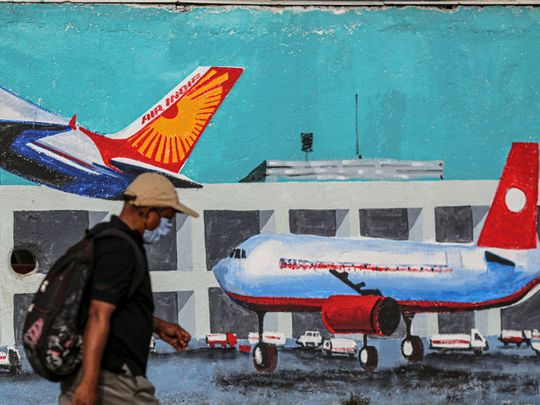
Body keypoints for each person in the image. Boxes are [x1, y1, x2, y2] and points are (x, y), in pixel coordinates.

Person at [59, 172, 198, 405]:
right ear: (146, 212)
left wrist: (157, 326)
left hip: (101, 374)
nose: (166, 226)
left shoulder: (103, 240)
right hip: (113, 379)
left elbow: (109, 305)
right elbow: (97, 314)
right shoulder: (119, 249)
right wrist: (89, 384)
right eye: (167, 217)